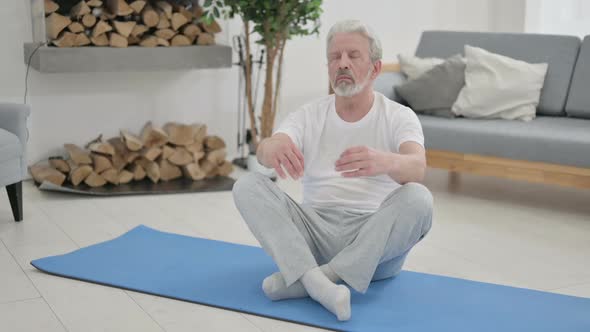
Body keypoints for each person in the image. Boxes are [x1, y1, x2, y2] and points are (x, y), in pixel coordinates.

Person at [232, 19, 433, 321]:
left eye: (353, 56)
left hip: (374, 244)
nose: (342, 63)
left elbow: (417, 168)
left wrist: (386, 161)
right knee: (246, 185)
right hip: (313, 234)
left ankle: (308, 280)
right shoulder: (310, 114)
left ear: (375, 68)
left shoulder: (399, 116)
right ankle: (320, 282)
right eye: (335, 57)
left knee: (419, 198)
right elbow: (266, 149)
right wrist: (269, 148)